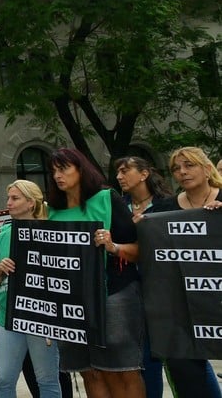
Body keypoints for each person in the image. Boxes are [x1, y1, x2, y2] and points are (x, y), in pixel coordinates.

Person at [46, 148, 144, 398]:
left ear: (81, 169)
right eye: (54, 170)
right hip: (71, 301)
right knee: (88, 371)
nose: (58, 175)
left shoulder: (106, 199)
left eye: (64, 168)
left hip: (113, 293)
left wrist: (113, 247)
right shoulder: (54, 211)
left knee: (121, 369)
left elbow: (139, 250)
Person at [153, 148, 222, 398]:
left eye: (189, 165)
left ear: (206, 169)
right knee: (184, 367)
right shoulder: (164, 209)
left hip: (218, 298)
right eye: (176, 168)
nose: (182, 172)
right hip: (184, 305)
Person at [0, 180, 61, 398]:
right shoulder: (1, 235)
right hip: (9, 315)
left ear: (31, 203)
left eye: (15, 198)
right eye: (8, 197)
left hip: (42, 316)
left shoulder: (53, 231)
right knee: (4, 379)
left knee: (47, 379)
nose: (8, 203)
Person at [114, 156, 174, 397]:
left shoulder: (167, 205)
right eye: (117, 172)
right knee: (140, 357)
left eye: (125, 171)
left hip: (161, 291)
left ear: (144, 174)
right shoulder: (119, 205)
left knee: (175, 359)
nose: (119, 176)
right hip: (128, 287)